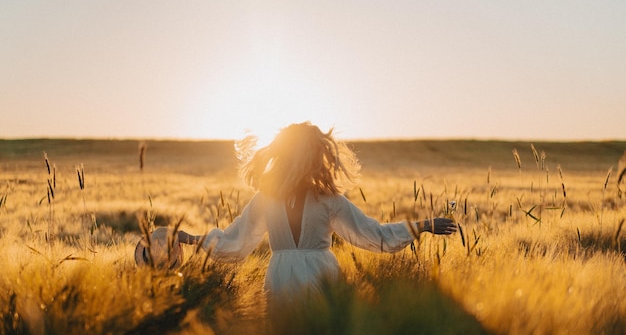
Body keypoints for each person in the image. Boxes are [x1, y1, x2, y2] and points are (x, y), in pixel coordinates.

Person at [178, 122, 456, 302]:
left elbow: (372, 234)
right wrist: (187, 238)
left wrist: (423, 225)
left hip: (296, 280)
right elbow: (234, 242)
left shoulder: (318, 200)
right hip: (302, 282)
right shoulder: (277, 199)